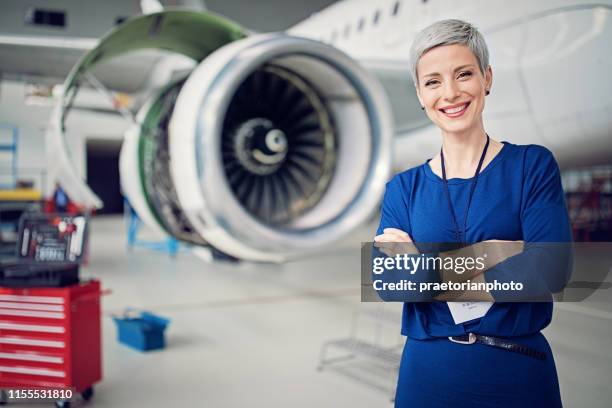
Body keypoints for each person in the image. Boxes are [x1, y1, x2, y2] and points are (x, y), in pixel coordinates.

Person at [373, 19, 572, 407]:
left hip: (515, 371)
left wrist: (424, 266)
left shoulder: (531, 165)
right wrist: (500, 254)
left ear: (487, 78)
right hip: (427, 375)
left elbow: (551, 269)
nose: (449, 93)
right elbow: (389, 284)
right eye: (432, 82)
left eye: (463, 74)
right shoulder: (403, 188)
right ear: (419, 93)